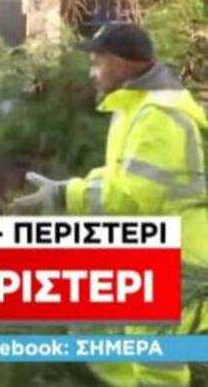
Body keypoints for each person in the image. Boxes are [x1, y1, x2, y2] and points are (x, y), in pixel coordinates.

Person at [13, 22, 207, 386]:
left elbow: (132, 197)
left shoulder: (158, 116)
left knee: (155, 367)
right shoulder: (137, 108)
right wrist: (67, 189)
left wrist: (65, 196)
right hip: (156, 252)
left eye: (97, 62)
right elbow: (120, 177)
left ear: (118, 64)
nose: (92, 73)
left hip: (176, 260)